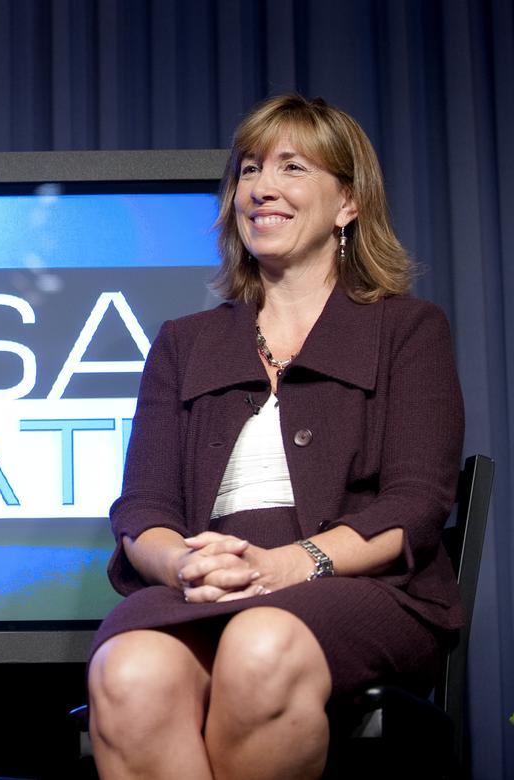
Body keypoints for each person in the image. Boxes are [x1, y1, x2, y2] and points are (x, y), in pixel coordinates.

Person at [86, 94, 463, 779]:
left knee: (260, 644)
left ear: (347, 203)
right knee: (128, 669)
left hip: (361, 591)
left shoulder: (407, 330)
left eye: (292, 168)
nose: (262, 187)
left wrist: (287, 566)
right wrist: (186, 568)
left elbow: (415, 506)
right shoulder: (183, 343)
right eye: (250, 170)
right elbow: (143, 511)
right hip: (207, 593)